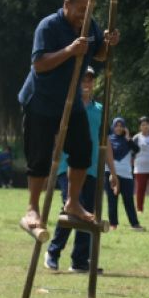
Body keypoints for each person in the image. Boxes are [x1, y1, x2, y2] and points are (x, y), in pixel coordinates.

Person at [18, 0, 118, 233]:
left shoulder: (90, 26)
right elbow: (39, 64)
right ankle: (33, 207)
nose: (83, 15)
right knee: (39, 158)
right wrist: (70, 50)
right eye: (79, 9)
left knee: (83, 150)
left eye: (88, 10)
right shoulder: (49, 26)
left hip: (70, 103)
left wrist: (108, 43)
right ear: (67, 5)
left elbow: (100, 55)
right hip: (40, 101)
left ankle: (73, 202)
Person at [44, 69, 105, 272]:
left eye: (90, 80)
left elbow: (106, 142)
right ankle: (53, 251)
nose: (86, 83)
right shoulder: (68, 106)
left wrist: (112, 172)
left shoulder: (100, 109)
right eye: (83, 80)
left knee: (88, 212)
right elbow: (54, 134)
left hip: (93, 167)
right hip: (67, 165)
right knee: (71, 206)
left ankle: (79, 261)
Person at [104, 117, 142, 230]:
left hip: (126, 174)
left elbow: (137, 149)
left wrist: (128, 138)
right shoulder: (108, 139)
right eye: (116, 125)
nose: (119, 128)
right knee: (112, 199)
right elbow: (105, 154)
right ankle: (113, 224)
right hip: (110, 172)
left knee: (128, 199)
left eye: (121, 126)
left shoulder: (128, 141)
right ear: (113, 127)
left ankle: (135, 224)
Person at [132, 116, 149, 214]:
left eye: (147, 124)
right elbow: (132, 153)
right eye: (143, 125)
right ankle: (139, 209)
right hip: (140, 168)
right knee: (140, 189)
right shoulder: (136, 138)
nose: (145, 126)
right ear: (140, 126)